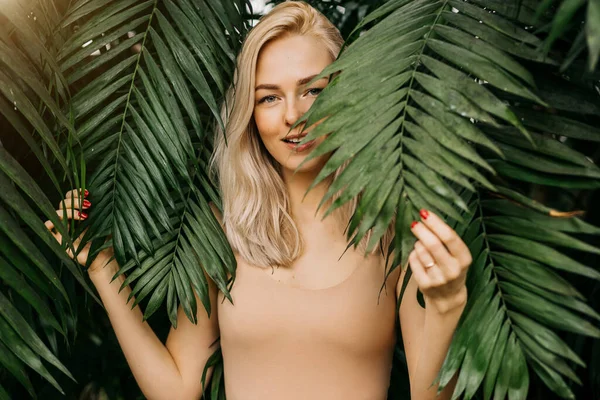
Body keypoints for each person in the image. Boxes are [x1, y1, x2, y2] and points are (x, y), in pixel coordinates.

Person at [46, 2, 472, 399]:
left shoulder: (390, 228)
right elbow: (178, 389)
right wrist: (102, 267)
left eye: (312, 91)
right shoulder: (222, 227)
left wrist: (446, 305)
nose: (292, 115)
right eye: (269, 97)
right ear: (250, 113)